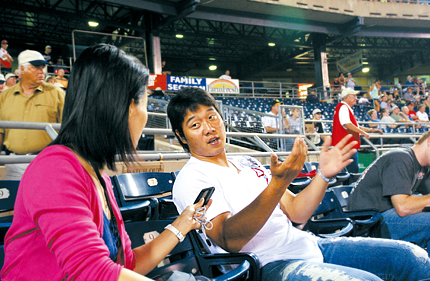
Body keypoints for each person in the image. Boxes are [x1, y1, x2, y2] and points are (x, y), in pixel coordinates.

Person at [168, 87, 430, 281]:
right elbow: (229, 239)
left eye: (212, 117)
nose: (209, 128)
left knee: (413, 258)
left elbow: (297, 211)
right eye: (195, 124)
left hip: (307, 243)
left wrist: (323, 175)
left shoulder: (247, 161)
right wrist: (277, 184)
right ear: (181, 134)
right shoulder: (192, 178)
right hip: (265, 266)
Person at [1, 44, 206, 281]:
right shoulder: (55, 170)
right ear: (127, 107)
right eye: (145, 103)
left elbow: (126, 265)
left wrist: (181, 225)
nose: (146, 114)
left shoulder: (99, 177)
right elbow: (95, 272)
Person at [347, 131, 430, 255]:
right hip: (369, 222)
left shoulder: (423, 166)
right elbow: (403, 207)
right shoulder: (401, 158)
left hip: (384, 215)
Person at [0, 50, 65, 155]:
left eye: (43, 67)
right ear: (22, 69)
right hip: (14, 161)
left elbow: (68, 130)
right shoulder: (5, 96)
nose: (42, 71)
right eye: (36, 67)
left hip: (47, 160)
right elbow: (1, 131)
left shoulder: (57, 94)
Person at [332, 88, 383, 173]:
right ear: (347, 97)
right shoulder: (343, 107)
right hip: (346, 146)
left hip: (346, 146)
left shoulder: (344, 107)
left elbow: (354, 126)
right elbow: (346, 124)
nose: (356, 98)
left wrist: (371, 130)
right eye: (354, 96)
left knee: (349, 171)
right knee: (351, 172)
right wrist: (363, 133)